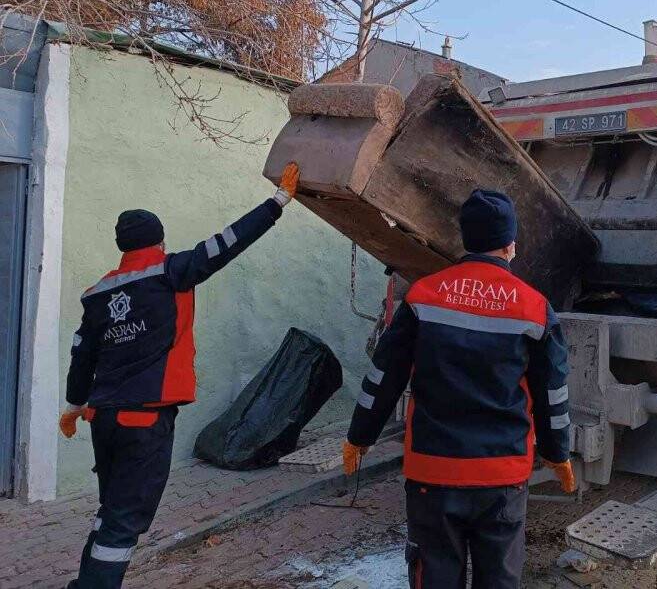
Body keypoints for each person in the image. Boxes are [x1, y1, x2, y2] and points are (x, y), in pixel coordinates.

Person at [59, 162, 300, 589]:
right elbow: (228, 242)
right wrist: (277, 202)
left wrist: (74, 404)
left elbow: (83, 353)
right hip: (145, 420)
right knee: (122, 525)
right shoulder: (171, 271)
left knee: (111, 511)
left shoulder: (98, 293)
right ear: (159, 238)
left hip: (104, 419)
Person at [342, 189, 574, 589]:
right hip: (501, 477)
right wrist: (557, 453)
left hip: (433, 472)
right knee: (499, 579)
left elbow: (384, 376)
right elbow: (552, 392)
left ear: (465, 240)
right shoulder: (535, 308)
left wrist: (359, 436)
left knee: (434, 576)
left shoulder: (423, 297)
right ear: (510, 244)